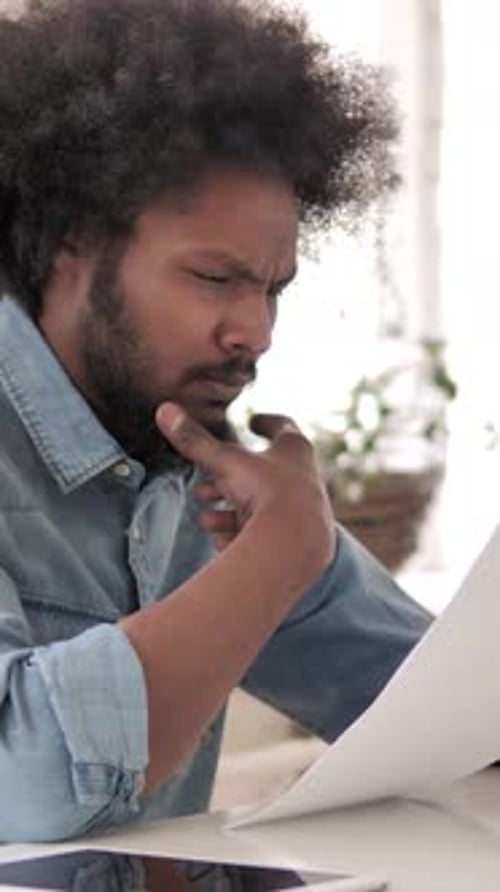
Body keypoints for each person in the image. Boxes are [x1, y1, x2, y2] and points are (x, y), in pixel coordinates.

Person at [0, 0, 431, 843]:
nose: (255, 333)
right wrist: (276, 558)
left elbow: (437, 711)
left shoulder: (202, 465)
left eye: (273, 290)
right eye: (214, 279)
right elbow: (23, 781)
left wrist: (287, 550)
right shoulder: (269, 533)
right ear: (74, 240)